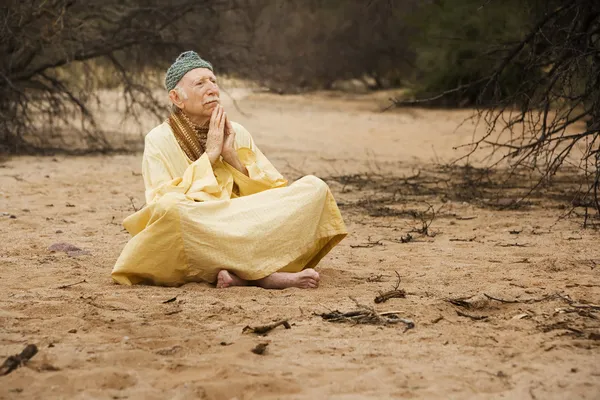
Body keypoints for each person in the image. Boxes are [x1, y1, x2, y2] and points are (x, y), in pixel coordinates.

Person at [111, 51, 347, 289]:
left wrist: (231, 156)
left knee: (314, 188)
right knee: (171, 210)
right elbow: (159, 203)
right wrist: (209, 157)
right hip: (204, 226)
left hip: (243, 222)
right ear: (176, 98)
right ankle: (263, 276)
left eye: (213, 81)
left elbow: (273, 192)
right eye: (200, 83)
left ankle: (240, 274)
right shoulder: (158, 139)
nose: (212, 88)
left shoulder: (237, 132)